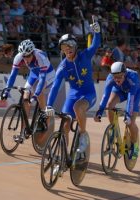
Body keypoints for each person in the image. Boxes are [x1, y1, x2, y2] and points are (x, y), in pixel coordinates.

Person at [45, 18, 101, 153]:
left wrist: (97, 33)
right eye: (64, 48)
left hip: (88, 94)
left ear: (75, 47)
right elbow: (55, 87)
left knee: (78, 107)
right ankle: (63, 154)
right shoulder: (63, 66)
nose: (67, 49)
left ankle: (83, 135)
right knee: (64, 124)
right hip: (73, 95)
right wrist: (48, 105)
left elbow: (95, 45)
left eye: (69, 46)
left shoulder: (85, 56)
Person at [1, 39, 55, 144]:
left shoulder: (40, 56)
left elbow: (42, 78)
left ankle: (44, 112)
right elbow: (12, 76)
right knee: (26, 96)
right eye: (24, 56)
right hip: (34, 74)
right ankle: (23, 132)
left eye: (28, 56)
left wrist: (35, 96)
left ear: (32, 52)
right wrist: (6, 91)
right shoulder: (19, 57)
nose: (26, 59)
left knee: (38, 90)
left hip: (47, 74)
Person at [94, 61, 140, 159]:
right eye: (115, 77)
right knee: (110, 104)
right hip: (119, 91)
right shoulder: (110, 78)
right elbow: (105, 96)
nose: (117, 79)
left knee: (130, 122)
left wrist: (128, 115)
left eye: (119, 76)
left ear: (124, 74)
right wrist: (99, 111)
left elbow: (131, 99)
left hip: (134, 93)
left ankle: (135, 146)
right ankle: (113, 130)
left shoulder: (133, 78)